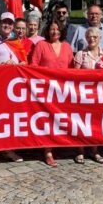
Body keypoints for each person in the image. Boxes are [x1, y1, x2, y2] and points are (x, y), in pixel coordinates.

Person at [30, 20, 73, 166]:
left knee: (60, 120)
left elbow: (73, 68)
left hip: (63, 90)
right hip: (46, 89)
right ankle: (48, 152)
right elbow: (33, 66)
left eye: (58, 29)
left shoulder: (67, 47)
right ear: (48, 31)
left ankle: (59, 145)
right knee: (48, 121)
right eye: (52, 29)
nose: (55, 32)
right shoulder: (41, 45)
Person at [0, 12, 24, 164]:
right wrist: (4, 66)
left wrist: (20, 66)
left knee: (10, 120)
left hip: (13, 88)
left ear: (13, 26)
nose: (7, 25)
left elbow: (24, 61)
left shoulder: (16, 42)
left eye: (10, 23)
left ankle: (8, 150)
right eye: (4, 22)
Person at [72, 27, 103, 165]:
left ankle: (94, 150)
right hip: (83, 95)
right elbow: (74, 76)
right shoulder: (81, 54)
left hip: (99, 95)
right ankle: (80, 150)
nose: (92, 39)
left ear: (100, 39)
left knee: (96, 123)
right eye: (89, 37)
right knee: (82, 122)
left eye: (95, 37)